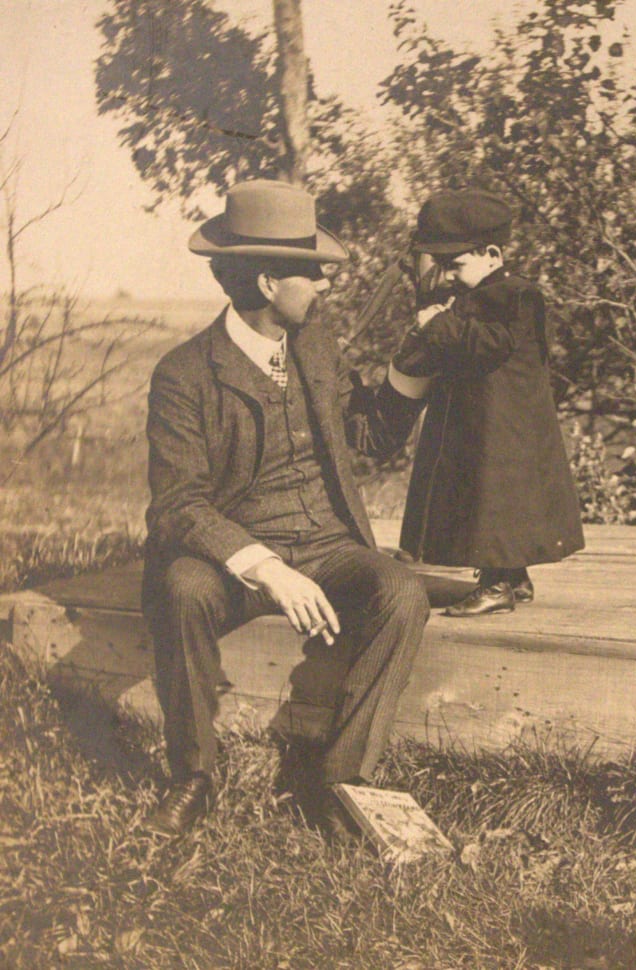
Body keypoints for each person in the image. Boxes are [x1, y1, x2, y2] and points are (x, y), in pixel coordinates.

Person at [142, 179, 429, 838]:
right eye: (312, 272)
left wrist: (415, 366)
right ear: (268, 282)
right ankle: (193, 776)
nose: (324, 286)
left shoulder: (315, 348)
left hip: (329, 544)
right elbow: (178, 503)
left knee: (403, 593)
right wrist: (269, 569)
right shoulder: (184, 374)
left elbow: (367, 437)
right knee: (182, 588)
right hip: (235, 554)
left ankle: (341, 782)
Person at [388, 188, 585, 616]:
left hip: (503, 426)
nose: (451, 275)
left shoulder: (516, 295)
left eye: (456, 265)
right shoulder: (480, 296)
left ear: (492, 254)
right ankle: (513, 579)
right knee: (493, 500)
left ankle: (496, 586)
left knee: (492, 503)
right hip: (484, 421)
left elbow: (491, 345)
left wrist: (438, 324)